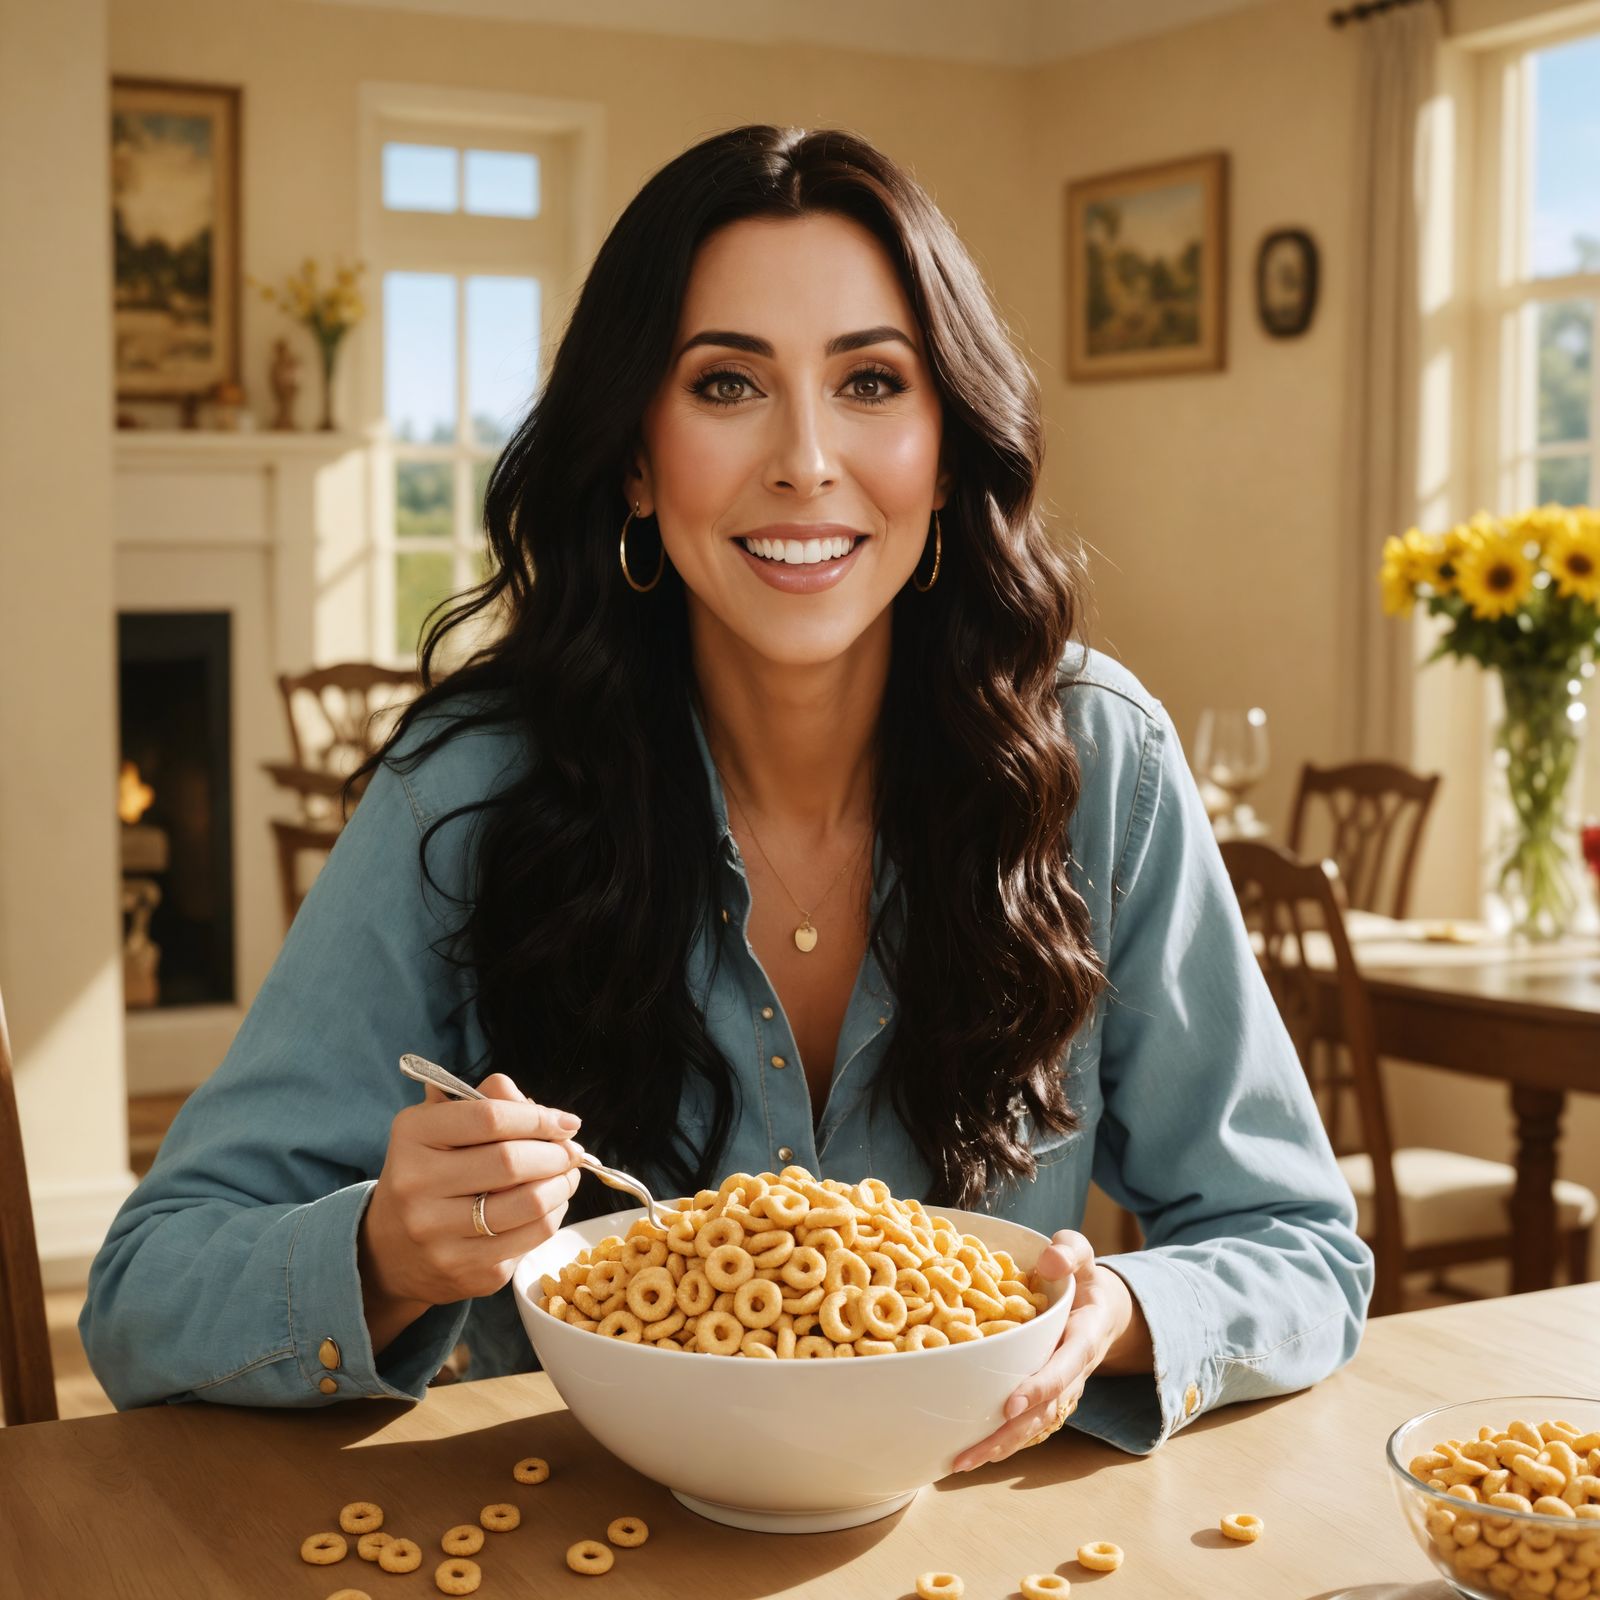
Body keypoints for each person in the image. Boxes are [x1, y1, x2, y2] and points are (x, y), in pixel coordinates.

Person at [81, 124, 1372, 1465]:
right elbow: (143, 1297)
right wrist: (382, 1254)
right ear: (635, 458)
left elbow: (1297, 1247)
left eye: (871, 381)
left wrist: (1120, 1314)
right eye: (727, 385)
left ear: (945, 447)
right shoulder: (469, 786)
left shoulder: (1097, 764)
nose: (805, 460)